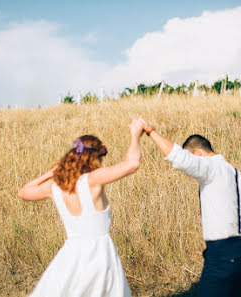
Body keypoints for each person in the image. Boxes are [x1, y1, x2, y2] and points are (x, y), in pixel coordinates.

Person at [18, 118, 146, 297]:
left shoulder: (55, 186)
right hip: (100, 254)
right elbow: (132, 164)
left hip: (71, 255)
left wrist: (51, 172)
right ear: (95, 157)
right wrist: (134, 135)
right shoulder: (93, 180)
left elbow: (24, 192)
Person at [142, 122, 241, 297]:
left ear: (197, 153)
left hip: (223, 252)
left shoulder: (210, 167)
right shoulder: (236, 174)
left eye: (194, 158)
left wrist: (150, 132)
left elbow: (179, 158)